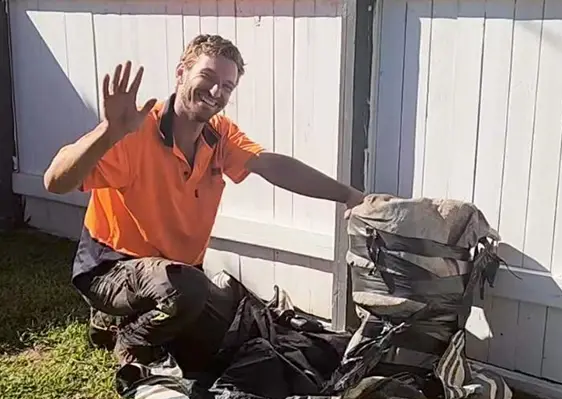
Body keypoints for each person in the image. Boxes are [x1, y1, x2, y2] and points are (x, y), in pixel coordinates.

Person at [43, 34, 363, 370]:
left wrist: (349, 196)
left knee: (223, 340)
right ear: (181, 73)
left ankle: (122, 321)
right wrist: (108, 132)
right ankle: (129, 337)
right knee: (186, 291)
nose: (216, 93)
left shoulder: (219, 135)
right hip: (110, 266)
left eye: (226, 86)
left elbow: (271, 165)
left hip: (177, 272)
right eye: (207, 78)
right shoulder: (134, 132)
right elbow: (55, 182)